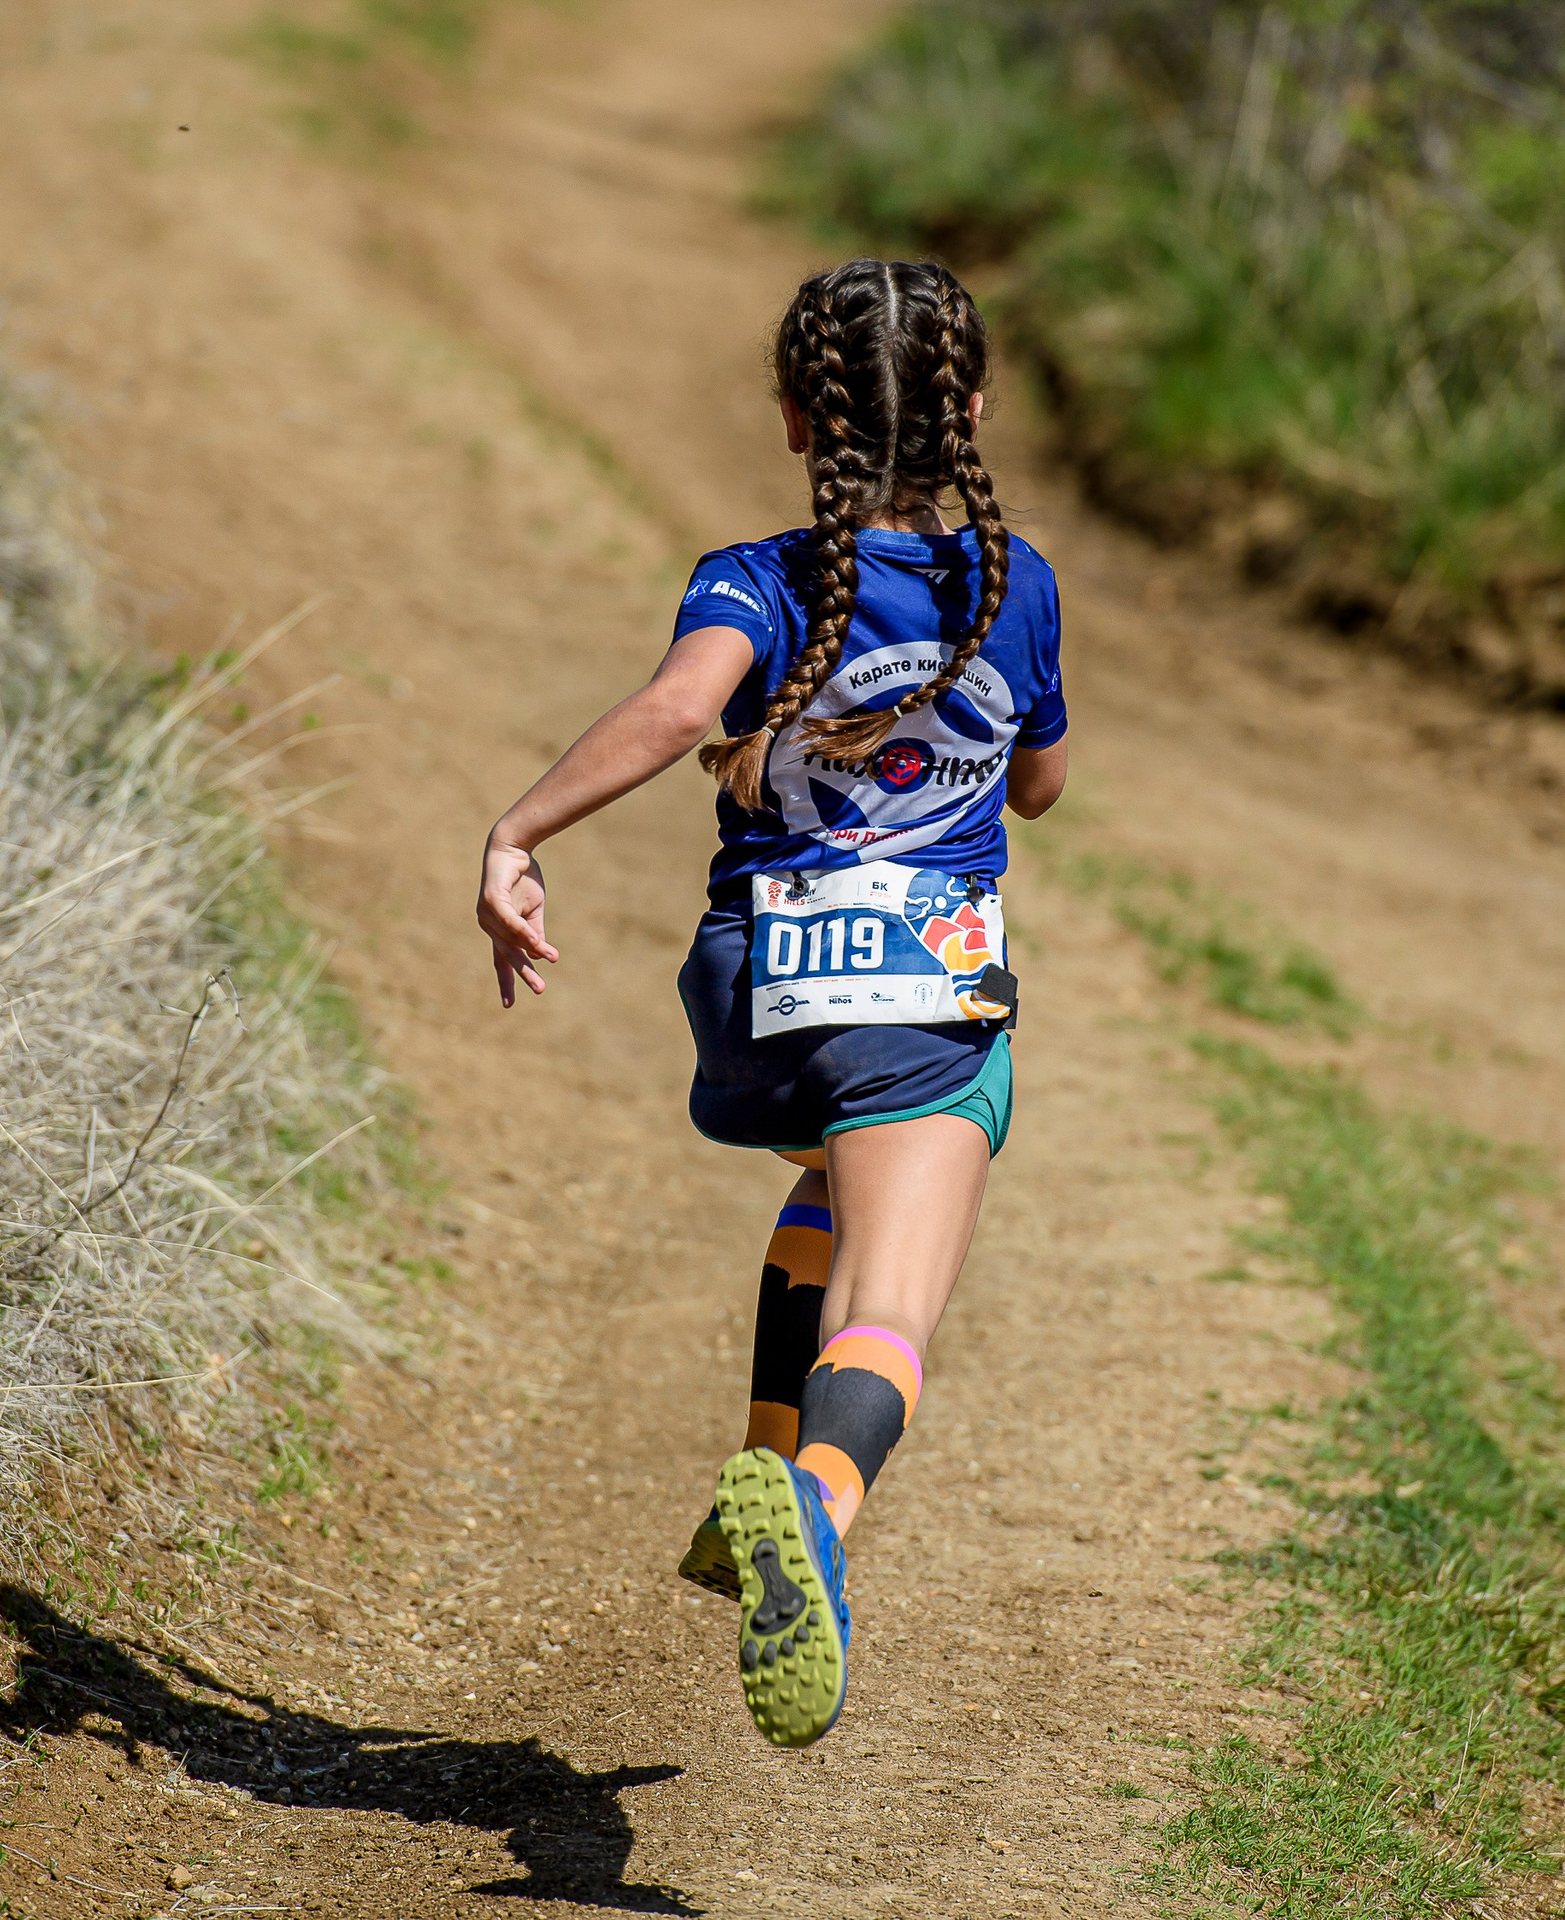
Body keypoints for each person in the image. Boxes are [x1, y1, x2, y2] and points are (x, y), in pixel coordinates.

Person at [474, 259, 1068, 1748]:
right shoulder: (1020, 585)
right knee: (892, 1299)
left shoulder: (757, 576)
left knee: (829, 1169)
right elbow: (1043, 782)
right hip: (917, 1001)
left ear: (801, 422)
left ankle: (755, 1461)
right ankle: (812, 1501)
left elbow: (684, 707)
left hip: (755, 998)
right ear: (974, 412)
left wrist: (518, 833)